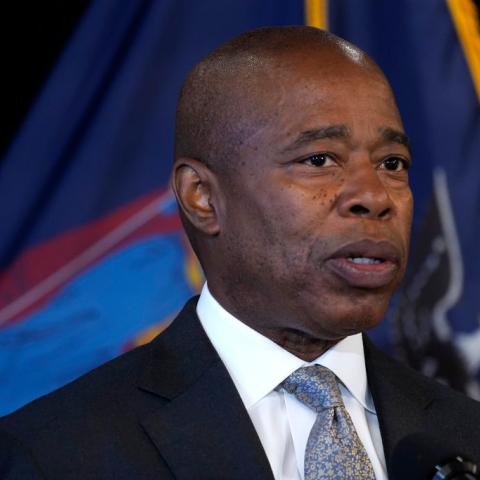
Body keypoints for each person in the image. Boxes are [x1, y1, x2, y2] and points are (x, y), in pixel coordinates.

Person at [1, 26, 479, 480]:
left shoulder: (465, 436)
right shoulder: (55, 455)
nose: (374, 196)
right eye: (319, 160)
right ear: (202, 198)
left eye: (392, 163)